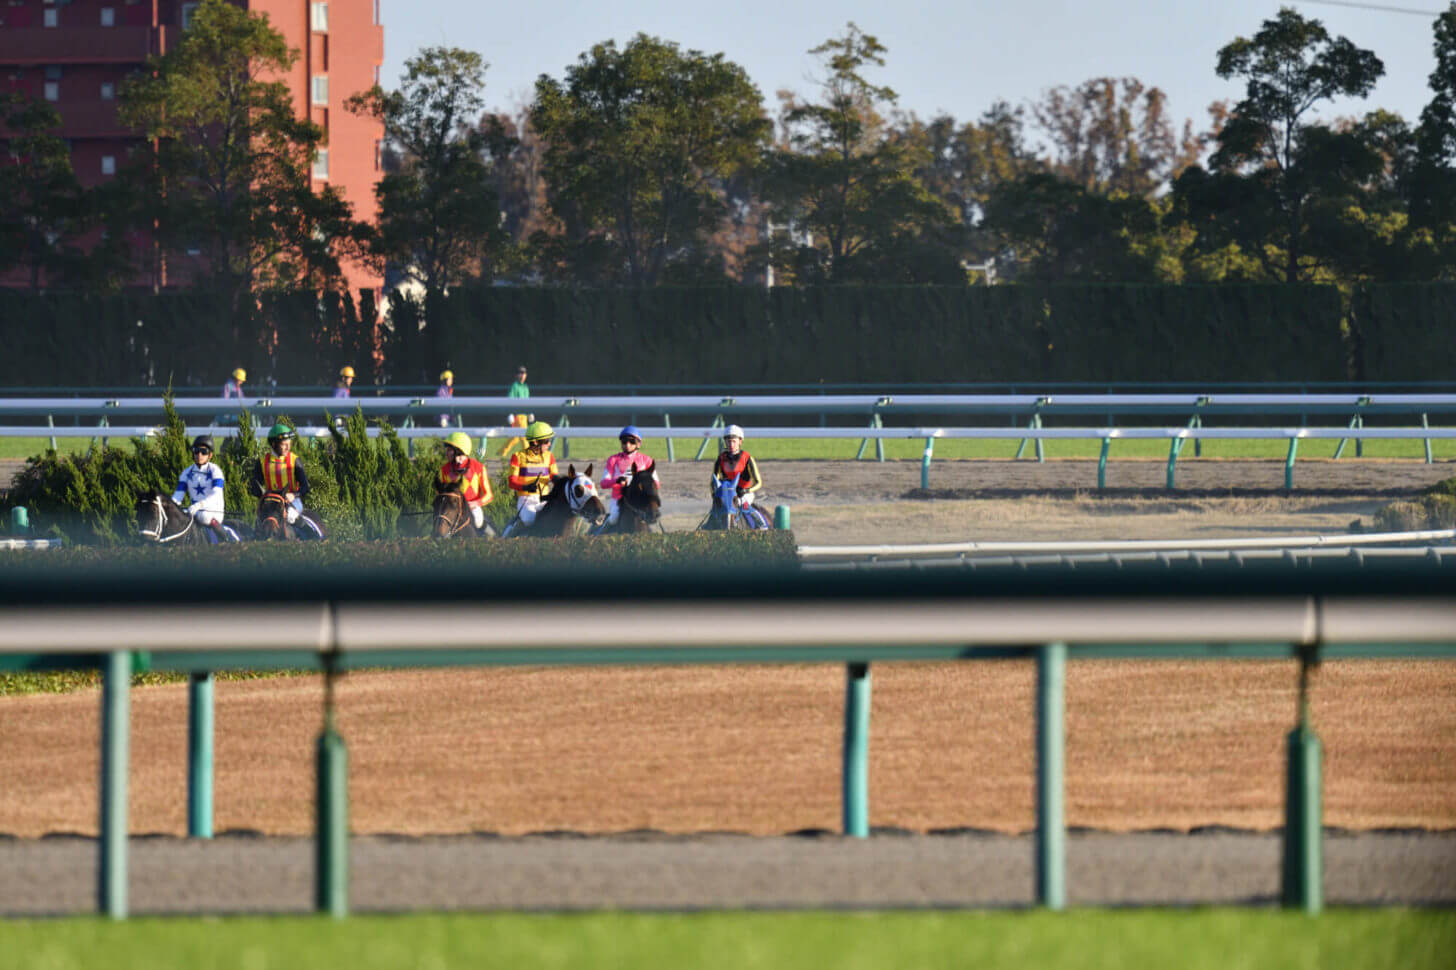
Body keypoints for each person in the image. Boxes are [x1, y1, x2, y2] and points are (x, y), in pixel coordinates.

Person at [249, 422, 313, 530]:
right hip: (271, 503)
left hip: (291, 502)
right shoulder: (262, 462)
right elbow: (255, 487)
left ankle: (311, 537)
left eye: (289, 443)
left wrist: (294, 495)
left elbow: (305, 486)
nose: (288, 447)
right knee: (260, 523)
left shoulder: (294, 460)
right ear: (273, 444)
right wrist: (264, 496)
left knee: (291, 517)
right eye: (284, 444)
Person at [172, 435, 232, 543]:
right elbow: (178, 495)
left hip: (212, 512)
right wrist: (171, 507)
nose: (199, 455)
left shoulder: (215, 471)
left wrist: (199, 505)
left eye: (203, 451)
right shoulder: (187, 472)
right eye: (196, 451)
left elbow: (216, 494)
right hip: (193, 511)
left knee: (204, 516)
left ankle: (226, 539)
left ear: (210, 455)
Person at [502, 420, 558, 536]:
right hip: (526, 500)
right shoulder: (517, 457)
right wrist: (526, 486)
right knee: (529, 519)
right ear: (536, 442)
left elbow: (554, 477)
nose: (549, 444)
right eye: (547, 441)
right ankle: (512, 532)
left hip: (544, 499)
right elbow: (511, 482)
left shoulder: (549, 456)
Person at [599, 425, 659, 528]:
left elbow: (656, 483)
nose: (627, 444)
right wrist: (617, 481)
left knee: (652, 516)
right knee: (614, 518)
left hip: (640, 499)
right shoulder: (613, 460)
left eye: (632, 441)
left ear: (638, 444)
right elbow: (603, 483)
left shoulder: (647, 461)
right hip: (619, 498)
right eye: (624, 441)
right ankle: (599, 532)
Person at [437, 430, 492, 534]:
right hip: (451, 509)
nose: (446, 453)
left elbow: (489, 495)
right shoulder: (444, 470)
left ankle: (493, 538)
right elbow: (441, 494)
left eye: (449, 450)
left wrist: (475, 503)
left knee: (477, 521)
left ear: (460, 451)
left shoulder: (478, 468)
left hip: (473, 509)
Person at [710, 424, 762, 520]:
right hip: (727, 494)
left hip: (744, 494)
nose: (731, 445)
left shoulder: (747, 459)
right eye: (728, 441)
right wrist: (714, 494)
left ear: (740, 441)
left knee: (741, 503)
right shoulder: (721, 458)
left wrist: (746, 490)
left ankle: (762, 525)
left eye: (734, 441)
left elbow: (758, 482)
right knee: (715, 510)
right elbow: (713, 481)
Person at [499, 364, 532, 456]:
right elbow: (510, 400)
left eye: (524, 373)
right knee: (524, 437)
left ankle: (501, 452)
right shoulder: (514, 386)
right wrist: (510, 413)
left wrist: (530, 413)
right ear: (517, 375)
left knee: (515, 437)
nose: (522, 375)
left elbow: (528, 401)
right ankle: (528, 455)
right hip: (517, 415)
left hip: (524, 416)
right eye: (520, 373)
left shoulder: (525, 387)